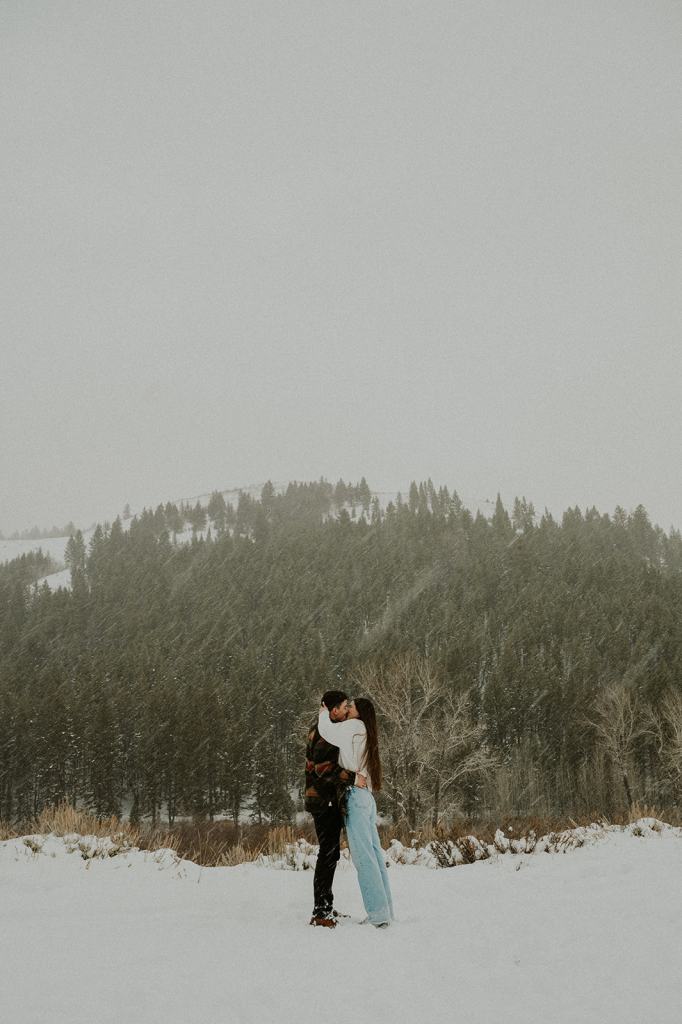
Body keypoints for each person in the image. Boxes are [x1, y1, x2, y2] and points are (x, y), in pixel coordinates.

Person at [318, 697, 394, 928]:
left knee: (364, 858)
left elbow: (327, 731)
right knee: (374, 855)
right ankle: (385, 909)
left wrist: (323, 712)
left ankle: (378, 916)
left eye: (351, 707)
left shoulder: (353, 726)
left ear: (358, 713)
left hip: (355, 796)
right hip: (366, 798)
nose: (348, 708)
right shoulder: (365, 731)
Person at [304, 690, 367, 928]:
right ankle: (320, 912)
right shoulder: (324, 732)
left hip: (325, 800)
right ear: (333, 711)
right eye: (343, 707)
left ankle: (326, 907)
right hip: (323, 801)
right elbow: (323, 771)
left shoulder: (327, 728)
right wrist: (353, 779)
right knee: (328, 854)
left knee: (330, 854)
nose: (346, 710)